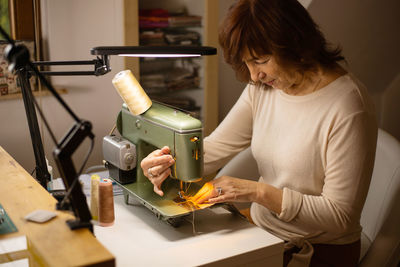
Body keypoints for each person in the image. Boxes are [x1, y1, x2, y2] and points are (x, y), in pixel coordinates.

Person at [140, 0, 377, 266]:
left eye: (261, 61)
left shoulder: (348, 106)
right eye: (246, 63)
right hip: (262, 232)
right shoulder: (264, 88)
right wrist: (167, 164)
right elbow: (216, 148)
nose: (254, 75)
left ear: (295, 44)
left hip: (317, 250)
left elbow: (339, 216)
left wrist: (257, 192)